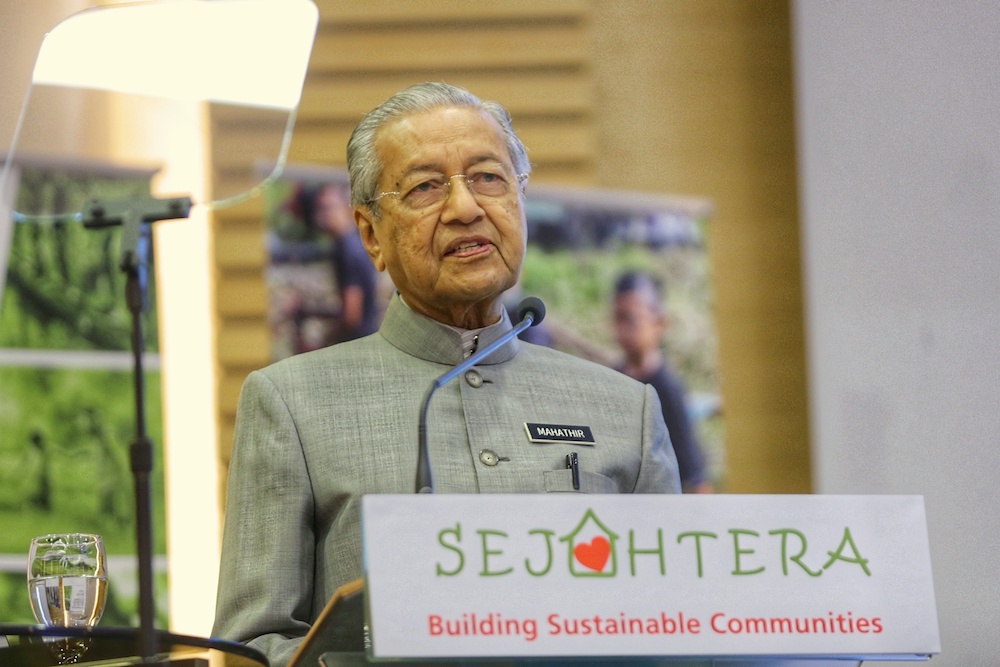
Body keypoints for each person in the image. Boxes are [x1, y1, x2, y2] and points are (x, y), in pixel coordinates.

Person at [212, 82, 681, 667]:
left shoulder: (625, 409)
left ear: (519, 201)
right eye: (426, 187)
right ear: (369, 234)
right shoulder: (291, 403)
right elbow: (251, 648)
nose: (465, 208)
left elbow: (674, 627)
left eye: (488, 178)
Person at [612, 271, 714, 493]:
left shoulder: (666, 390)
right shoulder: (612, 380)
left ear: (659, 323)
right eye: (617, 319)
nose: (622, 331)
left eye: (631, 320)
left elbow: (694, 475)